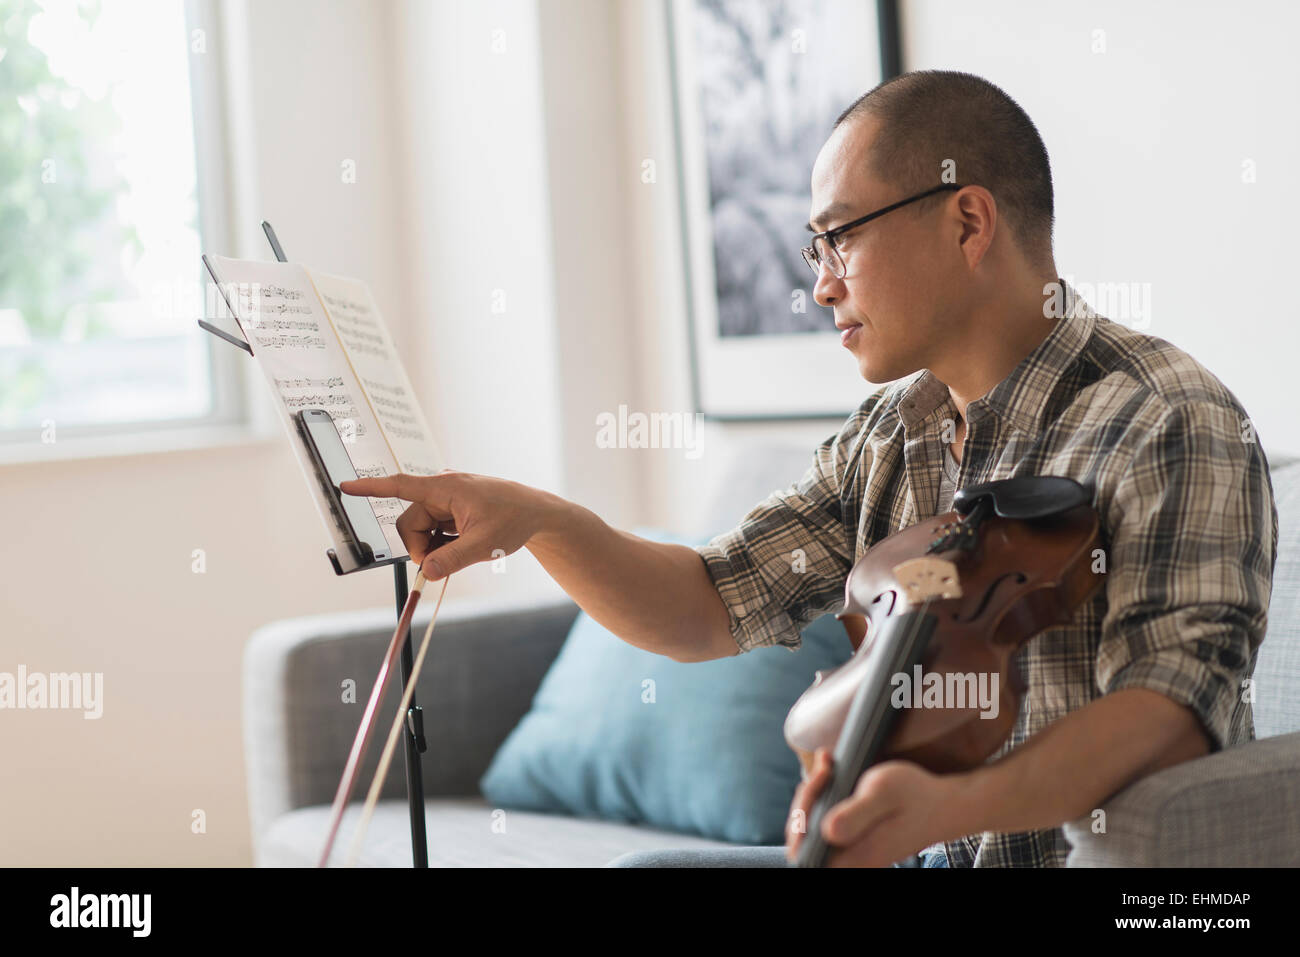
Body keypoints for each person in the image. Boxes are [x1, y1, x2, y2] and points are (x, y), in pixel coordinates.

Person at [341, 70, 1278, 868]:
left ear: (967, 221)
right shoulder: (887, 434)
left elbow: (1172, 704)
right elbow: (710, 601)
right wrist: (537, 516)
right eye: (814, 247)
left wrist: (949, 809)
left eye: (843, 236)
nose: (821, 280)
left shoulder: (1167, 416)